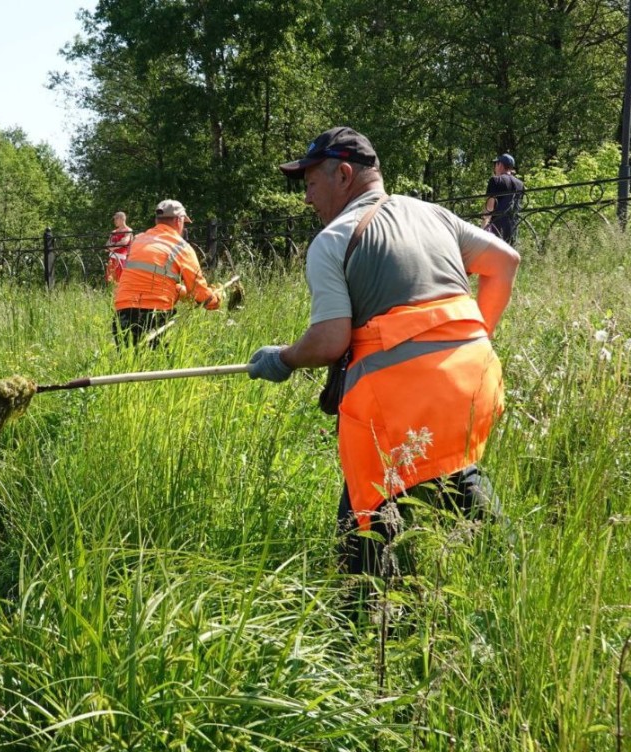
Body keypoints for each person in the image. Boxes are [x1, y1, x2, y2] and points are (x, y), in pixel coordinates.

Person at [247, 127, 520, 579]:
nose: (307, 197)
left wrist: (283, 357)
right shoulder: (434, 214)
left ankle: (363, 613)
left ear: (344, 174)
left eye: (311, 183)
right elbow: (506, 262)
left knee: (364, 513)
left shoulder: (333, 240)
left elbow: (331, 339)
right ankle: (515, 579)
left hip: (400, 402)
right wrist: (478, 336)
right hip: (475, 381)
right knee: (454, 473)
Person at [113, 199, 224, 347]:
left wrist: (180, 291)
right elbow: (201, 295)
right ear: (179, 221)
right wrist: (215, 298)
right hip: (154, 316)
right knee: (156, 366)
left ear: (157, 220)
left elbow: (146, 279)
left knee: (129, 365)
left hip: (122, 312)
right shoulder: (181, 247)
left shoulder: (138, 241)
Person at [482, 153, 525, 245]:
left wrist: (484, 229)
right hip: (513, 227)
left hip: (496, 228)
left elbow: (489, 208)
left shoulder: (495, 180)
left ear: (500, 165)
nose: (495, 167)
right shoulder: (520, 184)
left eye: (495, 164)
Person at [104, 211, 133, 285]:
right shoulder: (114, 231)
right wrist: (115, 245)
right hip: (111, 258)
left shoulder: (128, 230)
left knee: (119, 281)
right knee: (110, 281)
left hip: (121, 259)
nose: (114, 221)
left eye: (116, 219)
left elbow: (124, 242)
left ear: (121, 219)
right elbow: (107, 244)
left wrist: (112, 246)